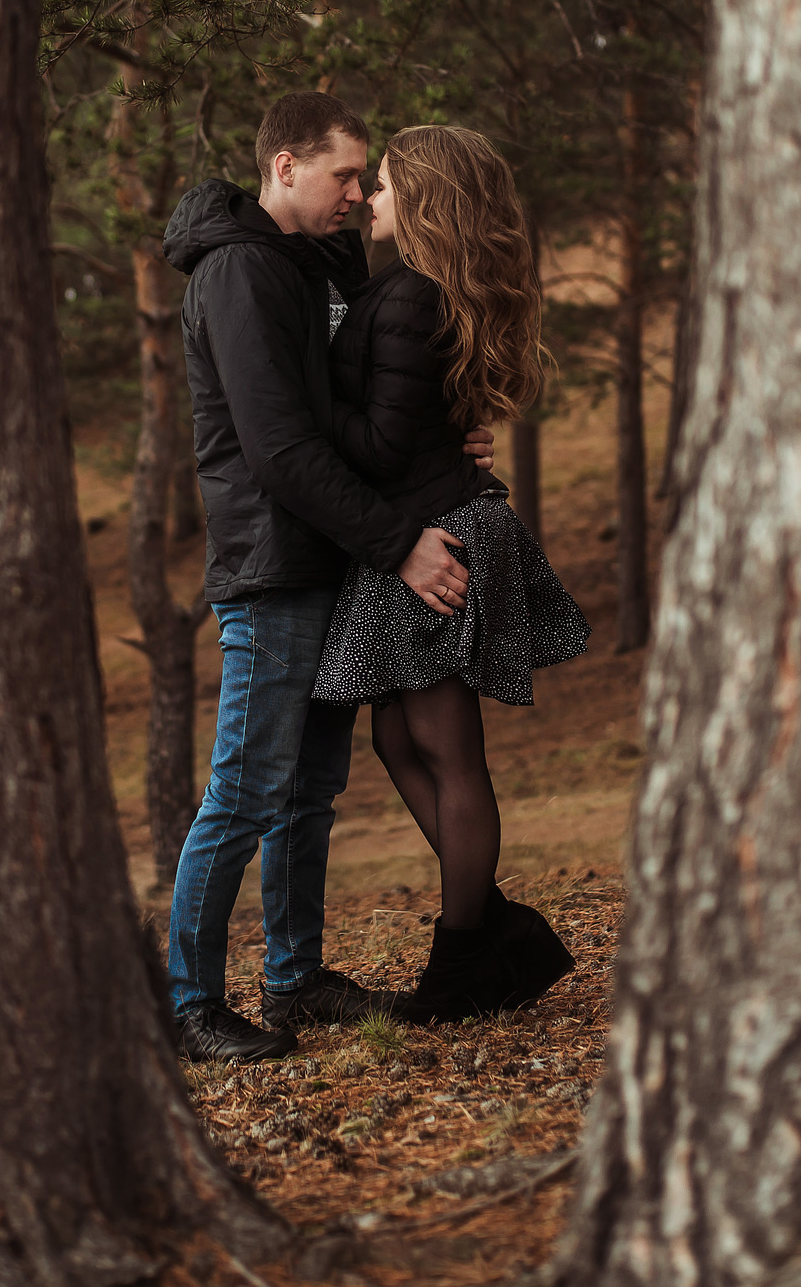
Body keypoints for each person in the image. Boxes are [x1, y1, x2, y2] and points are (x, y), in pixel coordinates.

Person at [160, 92, 491, 1063]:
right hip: (272, 564)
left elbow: (359, 409)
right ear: (285, 167)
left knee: (308, 787)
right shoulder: (239, 272)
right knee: (247, 787)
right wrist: (400, 544)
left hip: (332, 558)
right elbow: (278, 448)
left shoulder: (323, 261)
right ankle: (189, 1001)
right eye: (345, 173)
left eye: (364, 177)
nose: (362, 191)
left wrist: (446, 440)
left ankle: (295, 982)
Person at [313, 124, 589, 1023]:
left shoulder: (407, 295)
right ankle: (495, 929)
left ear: (424, 198)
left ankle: (466, 954)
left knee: (444, 745)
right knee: (399, 738)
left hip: (439, 530)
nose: (370, 200)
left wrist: (306, 417)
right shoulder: (424, 290)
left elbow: (387, 443)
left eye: (384, 185)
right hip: (445, 514)